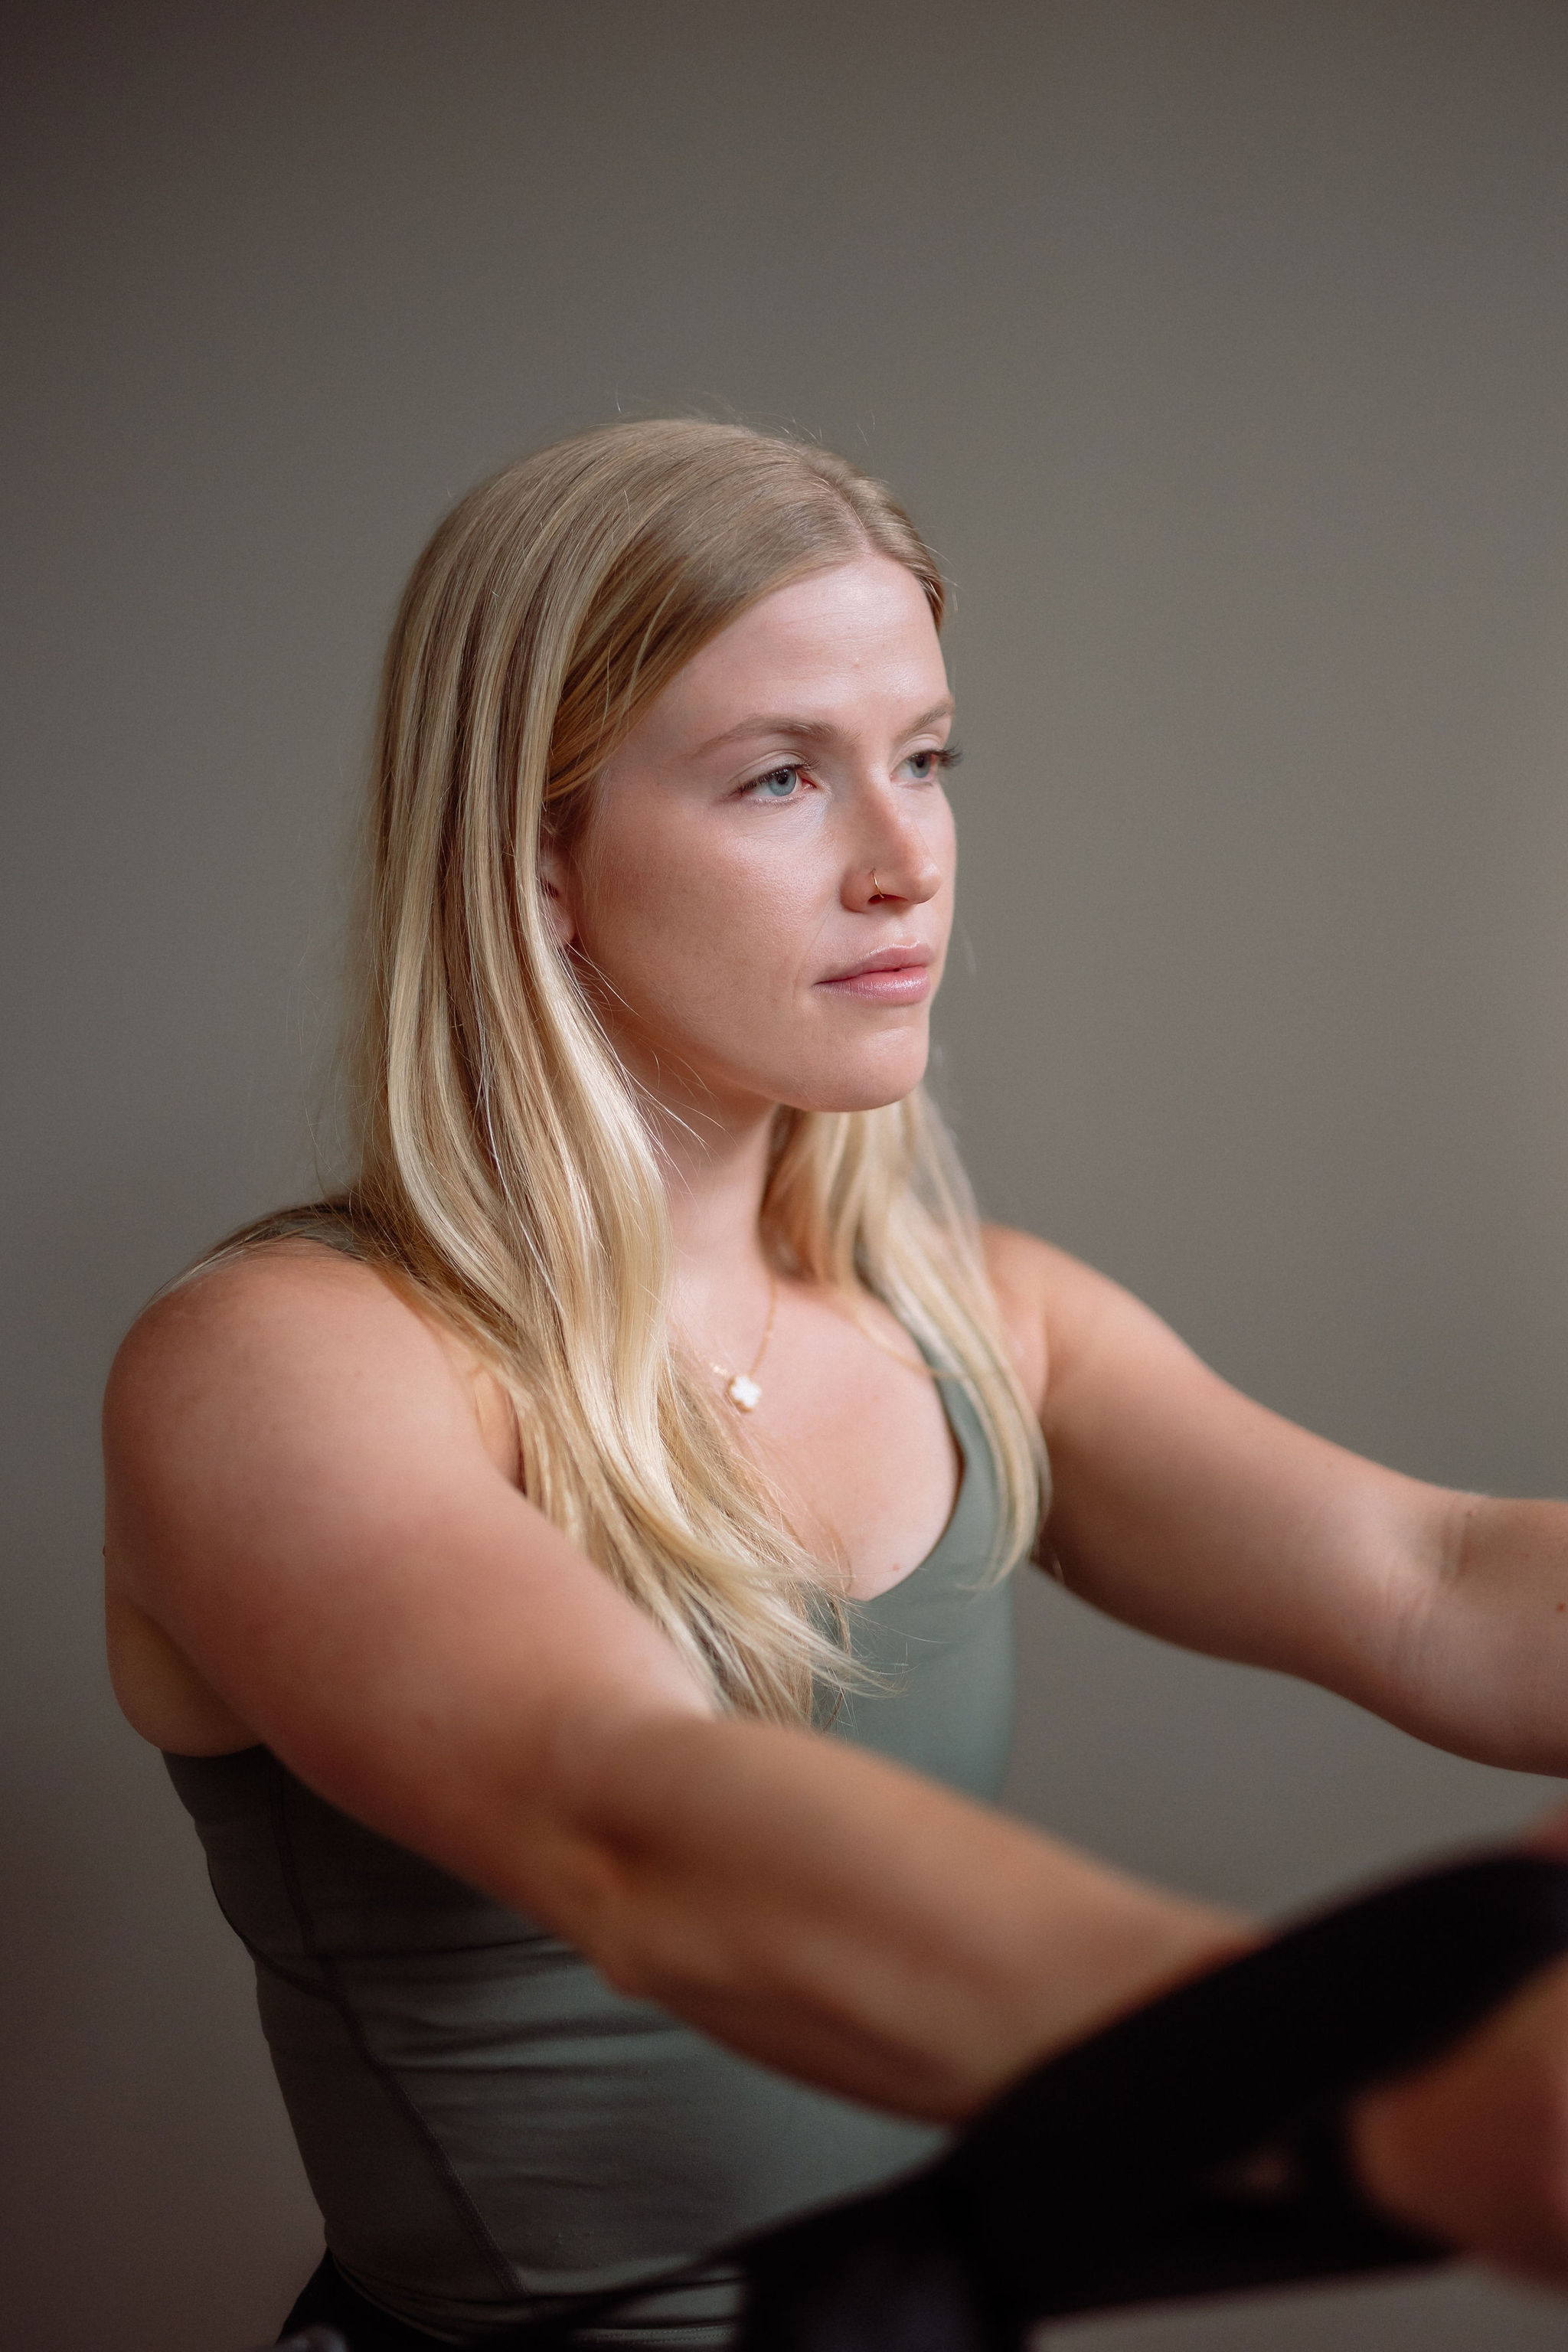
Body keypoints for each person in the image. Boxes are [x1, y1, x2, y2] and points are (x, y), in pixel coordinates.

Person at [103, 420, 1568, 2350]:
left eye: (927, 760)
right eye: (781, 776)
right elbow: (637, 1824)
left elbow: (1436, 1576)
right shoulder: (288, 1363)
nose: (905, 862)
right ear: (539, 856)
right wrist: (1353, 2089)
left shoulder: (985, 1321)